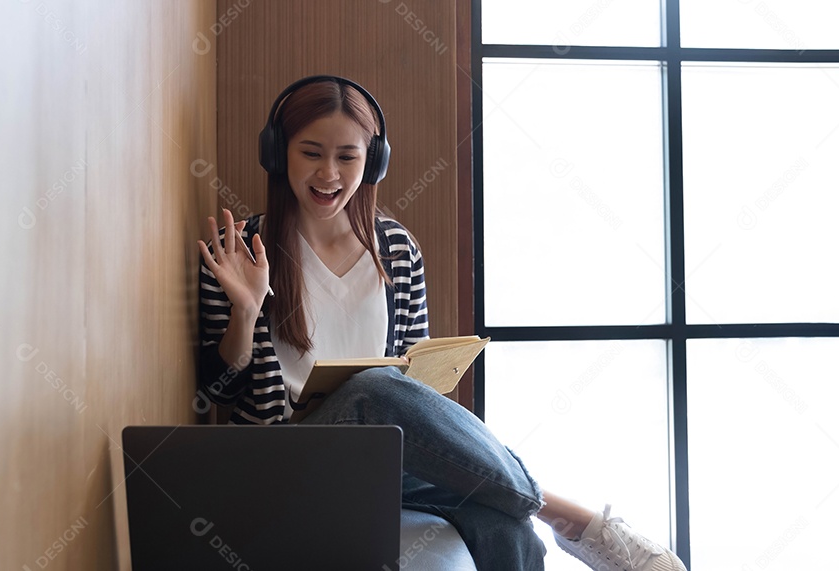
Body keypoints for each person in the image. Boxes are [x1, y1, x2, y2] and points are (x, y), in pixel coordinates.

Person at [196, 75, 687, 571]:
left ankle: (538, 515)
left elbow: (417, 384)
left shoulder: (397, 251)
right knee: (374, 389)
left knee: (505, 526)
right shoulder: (243, 249)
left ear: (372, 161)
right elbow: (219, 389)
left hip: (386, 463)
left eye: (347, 156)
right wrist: (247, 307)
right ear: (278, 154)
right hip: (289, 463)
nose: (329, 173)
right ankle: (569, 517)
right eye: (311, 153)